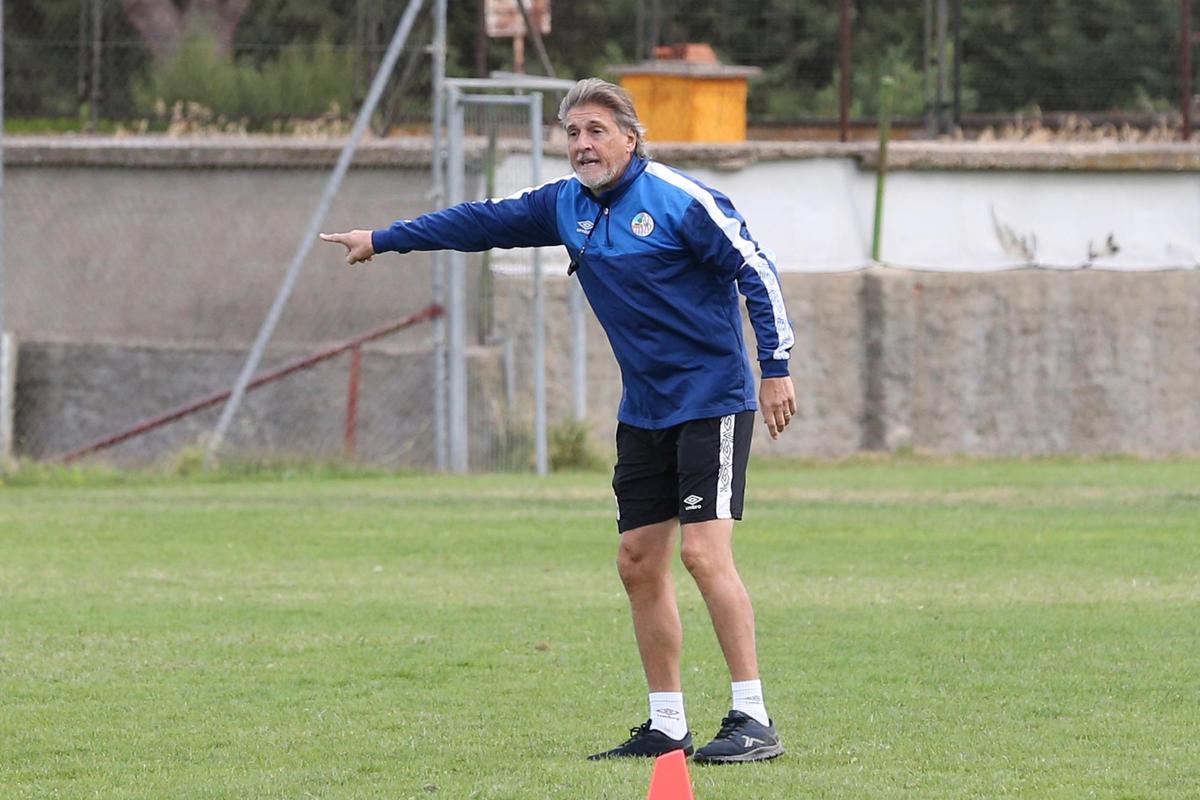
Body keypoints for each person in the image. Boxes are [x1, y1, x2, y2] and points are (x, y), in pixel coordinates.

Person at [321, 77, 796, 764]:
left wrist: (775, 365)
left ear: (630, 138)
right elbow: (480, 222)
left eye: (596, 130)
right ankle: (667, 724)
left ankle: (752, 718)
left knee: (701, 554)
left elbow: (757, 269)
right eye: (572, 132)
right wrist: (384, 238)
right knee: (637, 562)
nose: (581, 144)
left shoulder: (678, 200)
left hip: (712, 399)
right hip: (645, 410)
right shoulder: (566, 206)